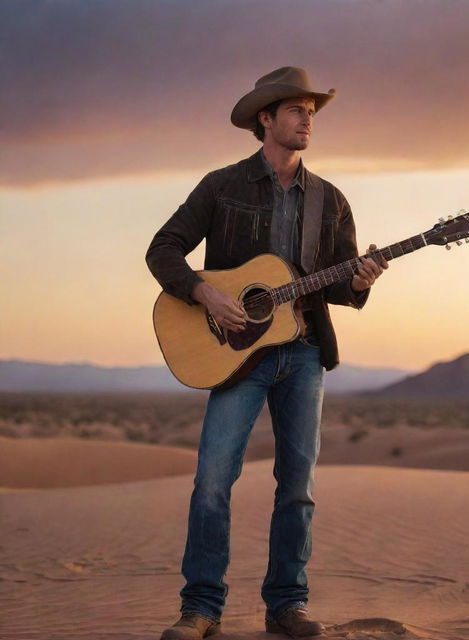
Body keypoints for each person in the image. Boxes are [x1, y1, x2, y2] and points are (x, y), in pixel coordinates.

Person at [146, 66, 387, 640]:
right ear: (266, 118)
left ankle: (287, 605)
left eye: (312, 111)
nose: (308, 119)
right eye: (297, 110)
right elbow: (164, 249)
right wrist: (205, 292)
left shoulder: (329, 200)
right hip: (236, 355)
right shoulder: (221, 187)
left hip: (302, 354)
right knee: (211, 482)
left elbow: (336, 286)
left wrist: (361, 282)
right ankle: (200, 608)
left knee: (297, 485)